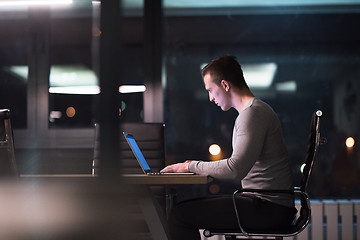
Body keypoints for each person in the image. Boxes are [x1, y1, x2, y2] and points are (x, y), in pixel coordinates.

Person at [160, 55, 297, 240]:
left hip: (268, 208)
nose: (210, 98)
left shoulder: (252, 114)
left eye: (210, 90)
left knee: (179, 215)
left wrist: (189, 166)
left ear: (225, 85)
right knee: (183, 210)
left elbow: (235, 169)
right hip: (269, 205)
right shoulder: (255, 111)